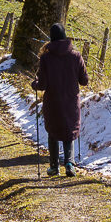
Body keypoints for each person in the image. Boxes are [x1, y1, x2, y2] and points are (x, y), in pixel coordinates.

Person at [33, 22, 88, 179]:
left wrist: (34, 84)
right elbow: (84, 81)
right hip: (71, 101)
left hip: (53, 101)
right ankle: (69, 164)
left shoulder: (46, 57)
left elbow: (42, 84)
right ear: (65, 36)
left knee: (53, 131)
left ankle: (54, 166)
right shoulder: (76, 56)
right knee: (68, 131)